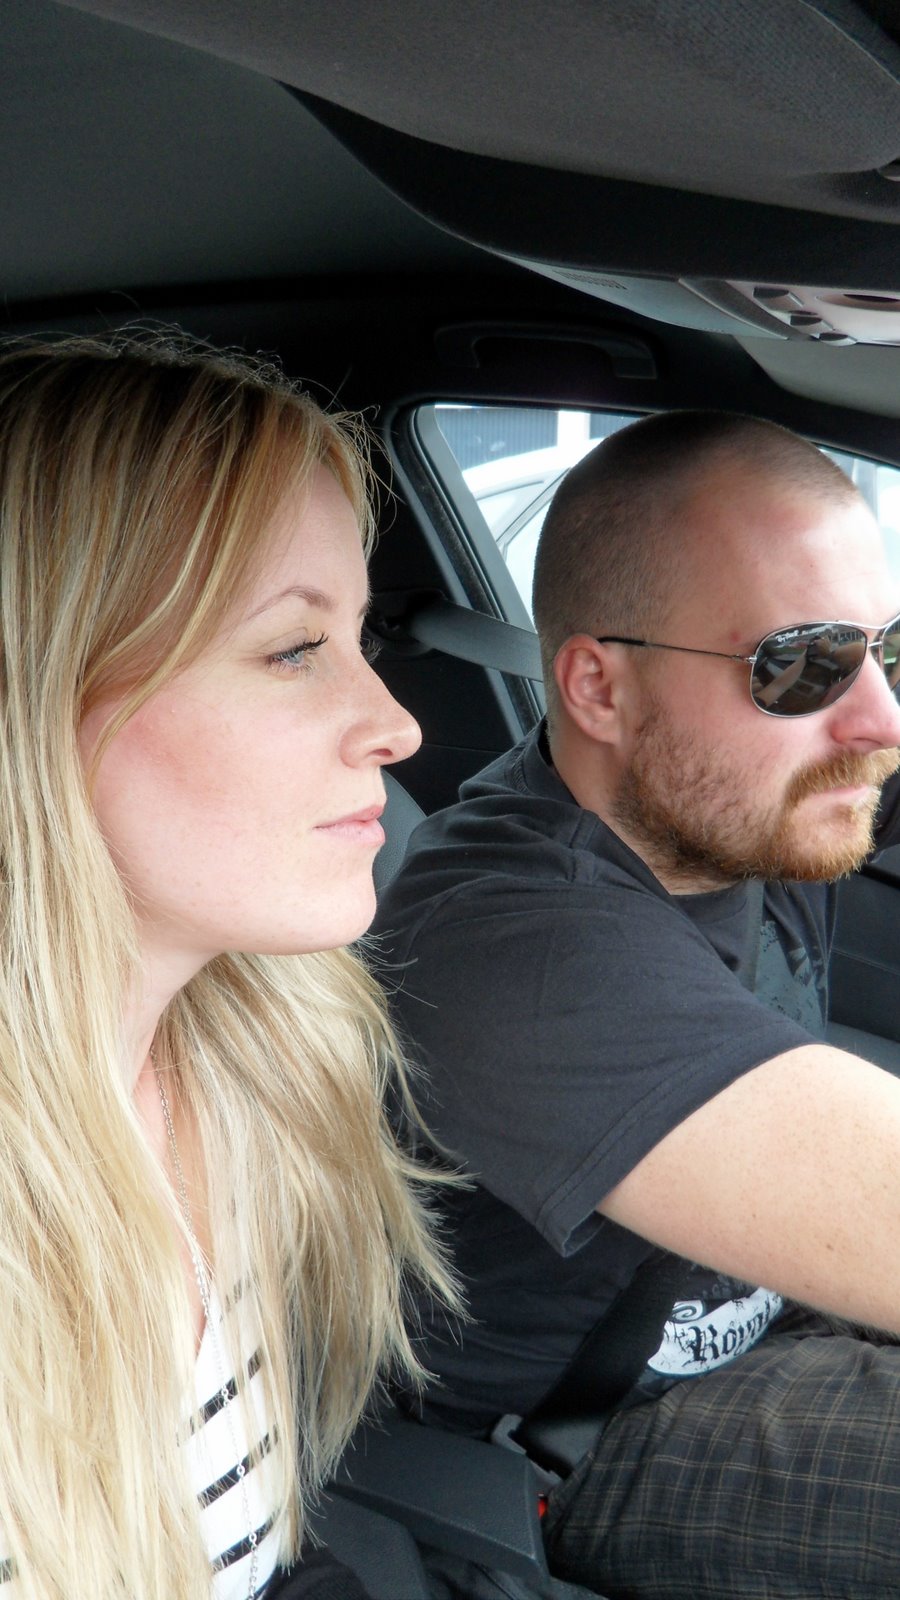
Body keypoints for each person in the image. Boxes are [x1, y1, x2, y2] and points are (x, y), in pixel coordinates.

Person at [372, 410, 900, 1600]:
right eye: (803, 666)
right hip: (598, 1431)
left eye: (889, 649)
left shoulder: (734, 794)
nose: (879, 721)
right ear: (599, 688)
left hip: (777, 1310)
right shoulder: (517, 951)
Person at [0, 330, 456, 1600]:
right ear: (34, 697)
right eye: (293, 649)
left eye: (359, 638)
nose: (397, 725)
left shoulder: (254, 1061)